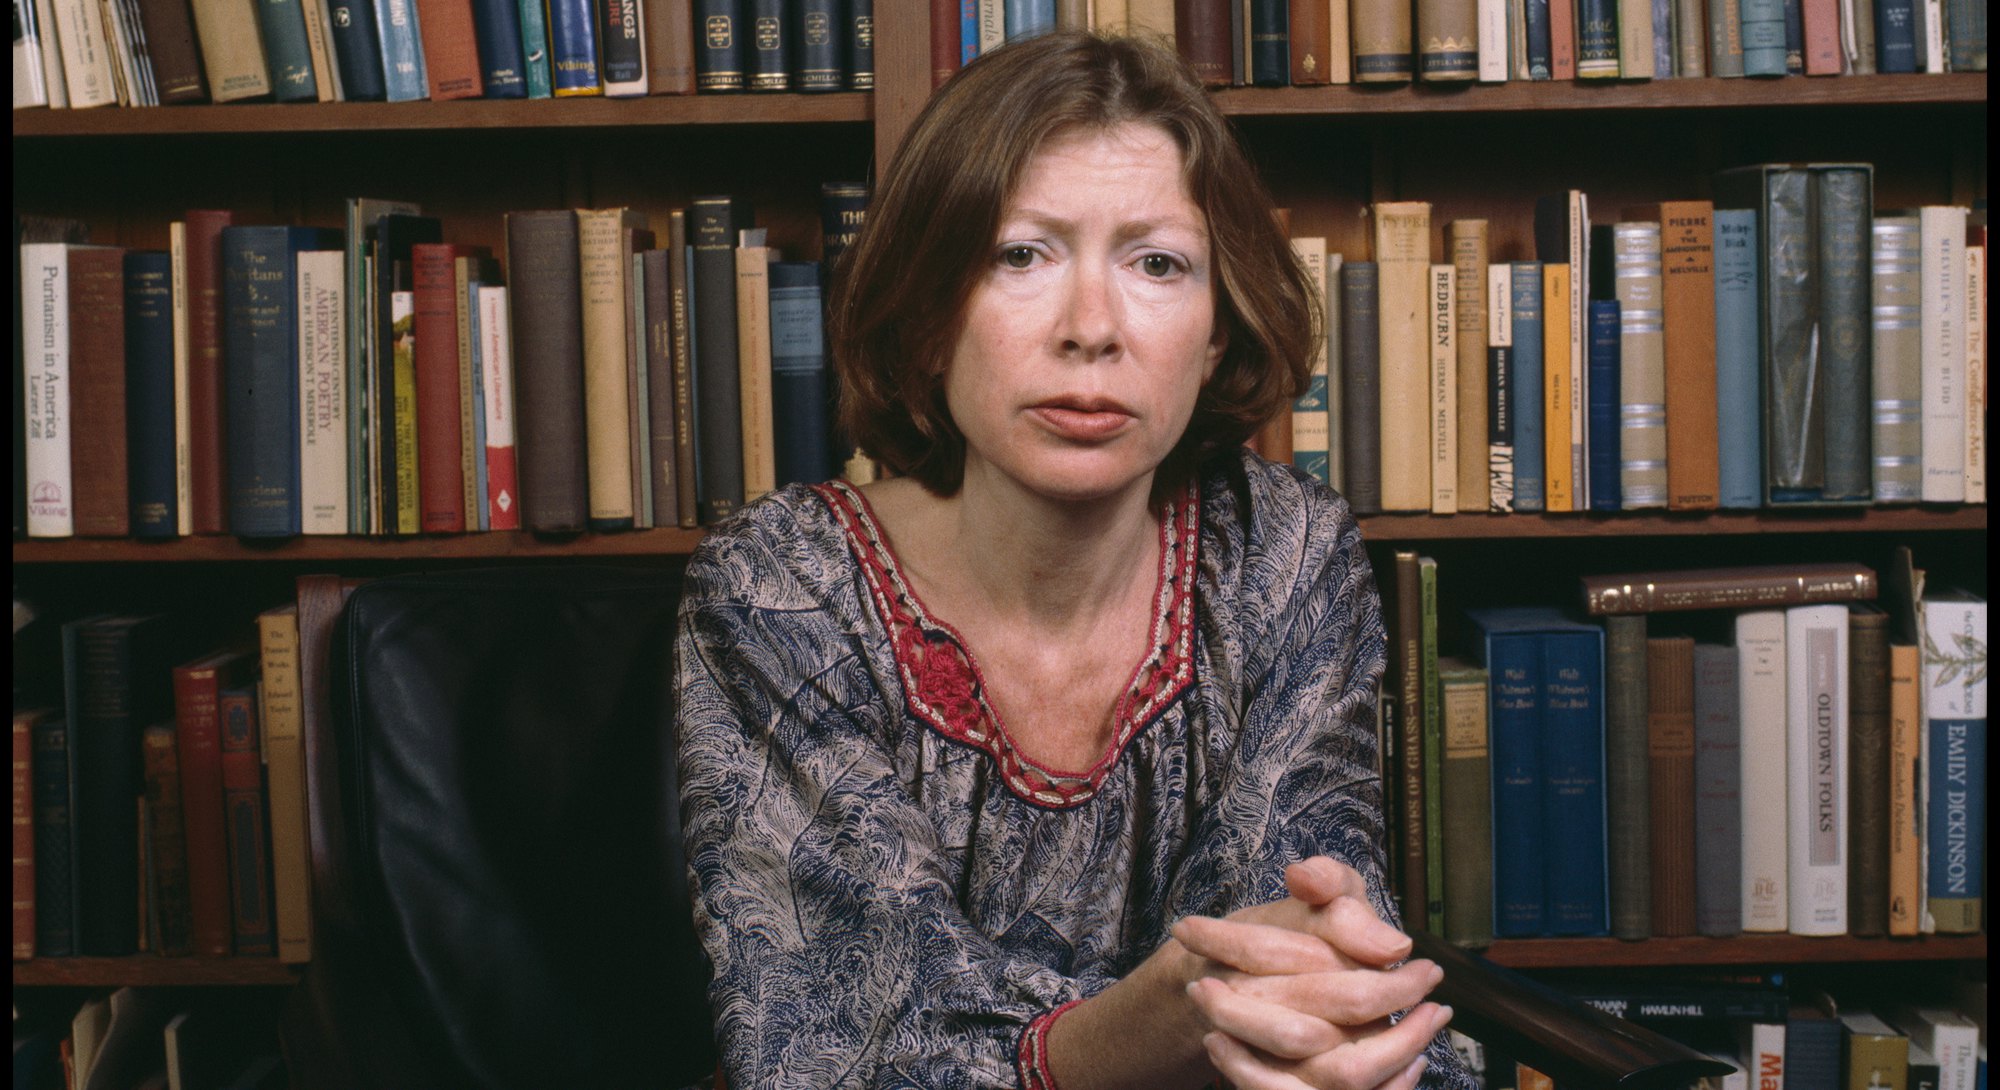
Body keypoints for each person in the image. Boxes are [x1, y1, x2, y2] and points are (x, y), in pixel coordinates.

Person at [674, 30, 1470, 1090]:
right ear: (925, 318)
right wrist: (1173, 1007)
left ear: (1216, 332)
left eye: (1155, 264)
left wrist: (1315, 1010)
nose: (1091, 328)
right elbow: (850, 1046)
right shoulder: (776, 583)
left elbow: (1294, 946)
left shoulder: (1285, 553)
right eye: (1021, 254)